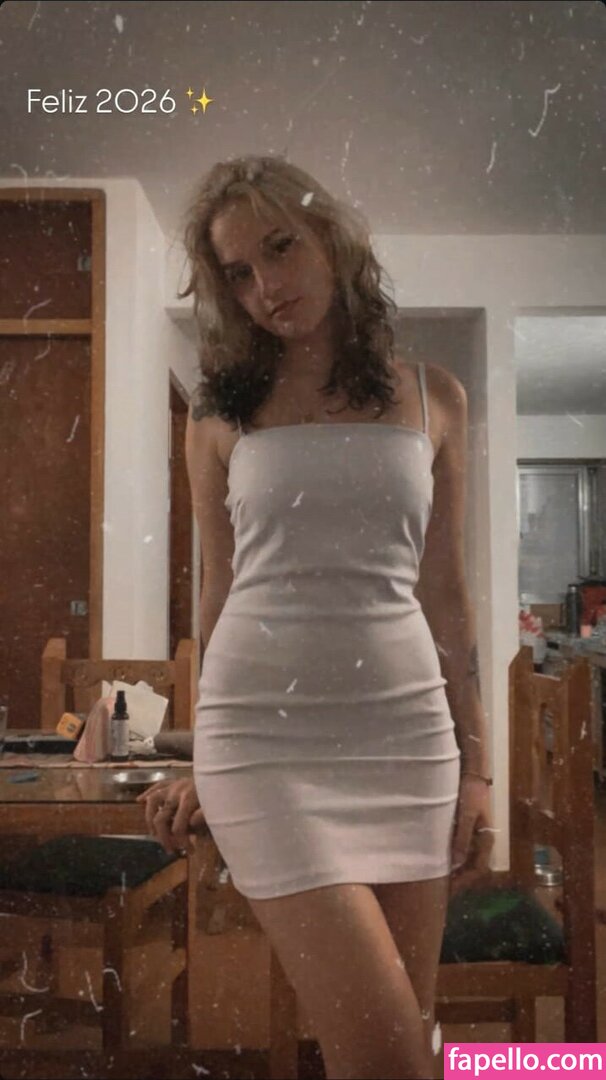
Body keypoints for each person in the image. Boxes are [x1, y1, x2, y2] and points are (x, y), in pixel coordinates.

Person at [138, 154, 493, 1080]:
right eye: (237, 273)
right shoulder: (220, 417)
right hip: (267, 744)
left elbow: (446, 594)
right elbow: (218, 593)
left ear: (330, 239)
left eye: (280, 248)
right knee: (387, 1055)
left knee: (406, 1036)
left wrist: (479, 767)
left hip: (409, 741)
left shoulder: (435, 398)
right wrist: (206, 756)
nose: (265, 286)